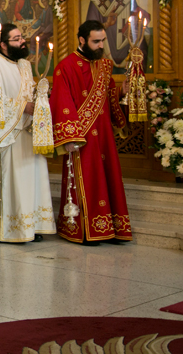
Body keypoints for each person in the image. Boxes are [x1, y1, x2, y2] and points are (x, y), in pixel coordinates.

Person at [50, 20, 132, 245]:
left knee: (108, 177)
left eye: (103, 41)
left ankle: (111, 229)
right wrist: (69, 137)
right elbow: (61, 102)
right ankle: (86, 230)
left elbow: (107, 98)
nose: (100, 45)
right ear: (82, 40)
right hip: (81, 137)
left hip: (103, 134)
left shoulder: (104, 65)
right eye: (96, 41)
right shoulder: (65, 67)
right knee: (87, 179)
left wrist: (119, 92)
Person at [0, 24, 56, 243]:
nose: (22, 42)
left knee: (32, 179)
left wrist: (39, 96)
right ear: (3, 44)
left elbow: (27, 91)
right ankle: (11, 228)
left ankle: (32, 226)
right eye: (15, 39)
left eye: (21, 37)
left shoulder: (24, 64)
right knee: (14, 180)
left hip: (27, 130)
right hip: (9, 133)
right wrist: (24, 107)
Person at [85, 0, 149, 69]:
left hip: (126, 53)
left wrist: (134, 29)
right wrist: (106, 24)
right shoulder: (96, 0)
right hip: (103, 57)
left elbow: (137, 25)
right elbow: (88, 31)